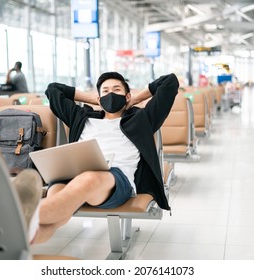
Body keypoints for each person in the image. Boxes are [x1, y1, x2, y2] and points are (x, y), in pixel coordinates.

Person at [31, 72, 179, 244]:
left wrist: (134, 100)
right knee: (56, 197)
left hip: (116, 180)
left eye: (116, 90)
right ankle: (21, 243)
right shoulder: (81, 117)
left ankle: (17, 217)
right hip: (73, 176)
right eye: (105, 91)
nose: (111, 95)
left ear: (126, 95)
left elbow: (170, 82)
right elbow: (53, 90)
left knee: (88, 178)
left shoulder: (141, 119)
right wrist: (94, 100)